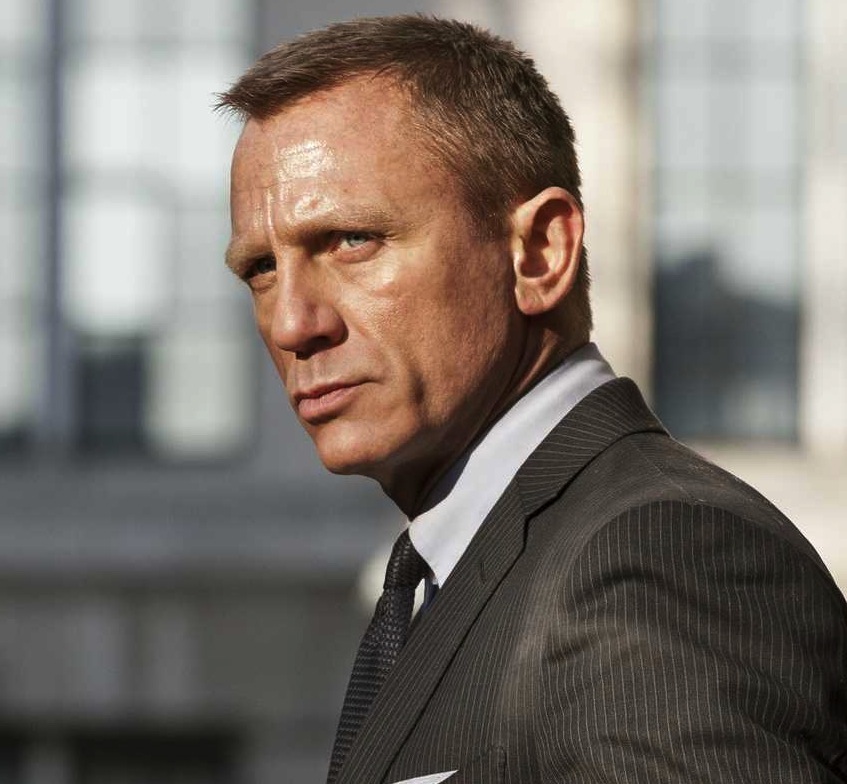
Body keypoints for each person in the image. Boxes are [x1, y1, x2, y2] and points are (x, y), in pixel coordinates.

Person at [218, 15, 847, 784]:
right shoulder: (459, 573)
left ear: (540, 252)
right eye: (260, 269)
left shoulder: (657, 554)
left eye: (352, 240)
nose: (291, 323)